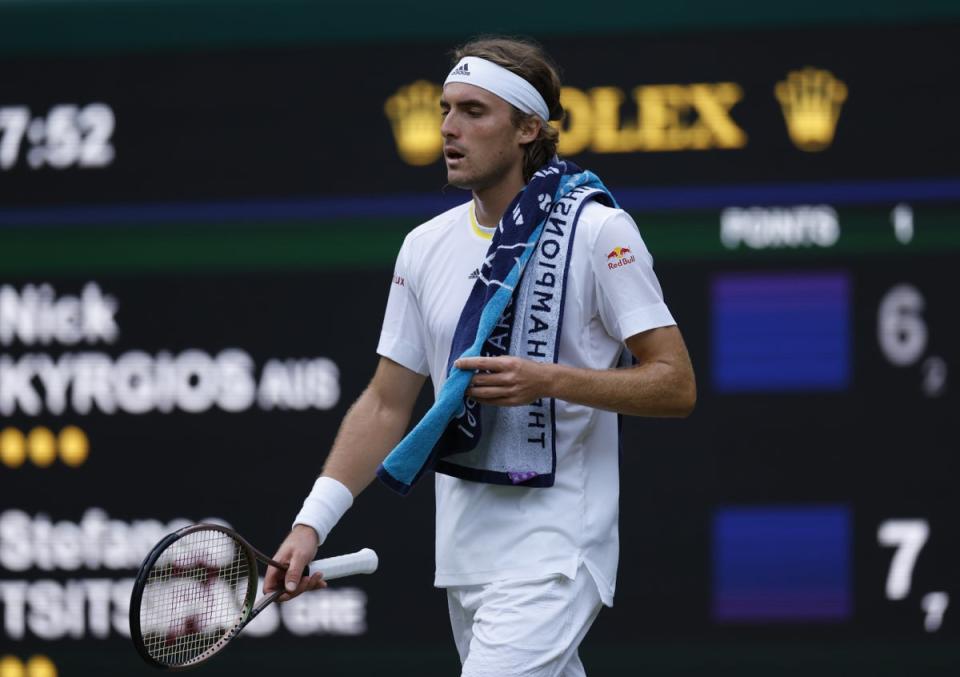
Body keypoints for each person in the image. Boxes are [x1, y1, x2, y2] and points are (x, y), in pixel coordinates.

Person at [264, 36, 696, 677]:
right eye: (445, 109)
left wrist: (548, 380)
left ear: (527, 128)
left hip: (557, 551)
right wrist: (310, 526)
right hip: (466, 560)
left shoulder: (598, 230)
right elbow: (387, 403)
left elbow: (675, 383)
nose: (448, 128)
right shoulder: (423, 247)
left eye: (473, 111)